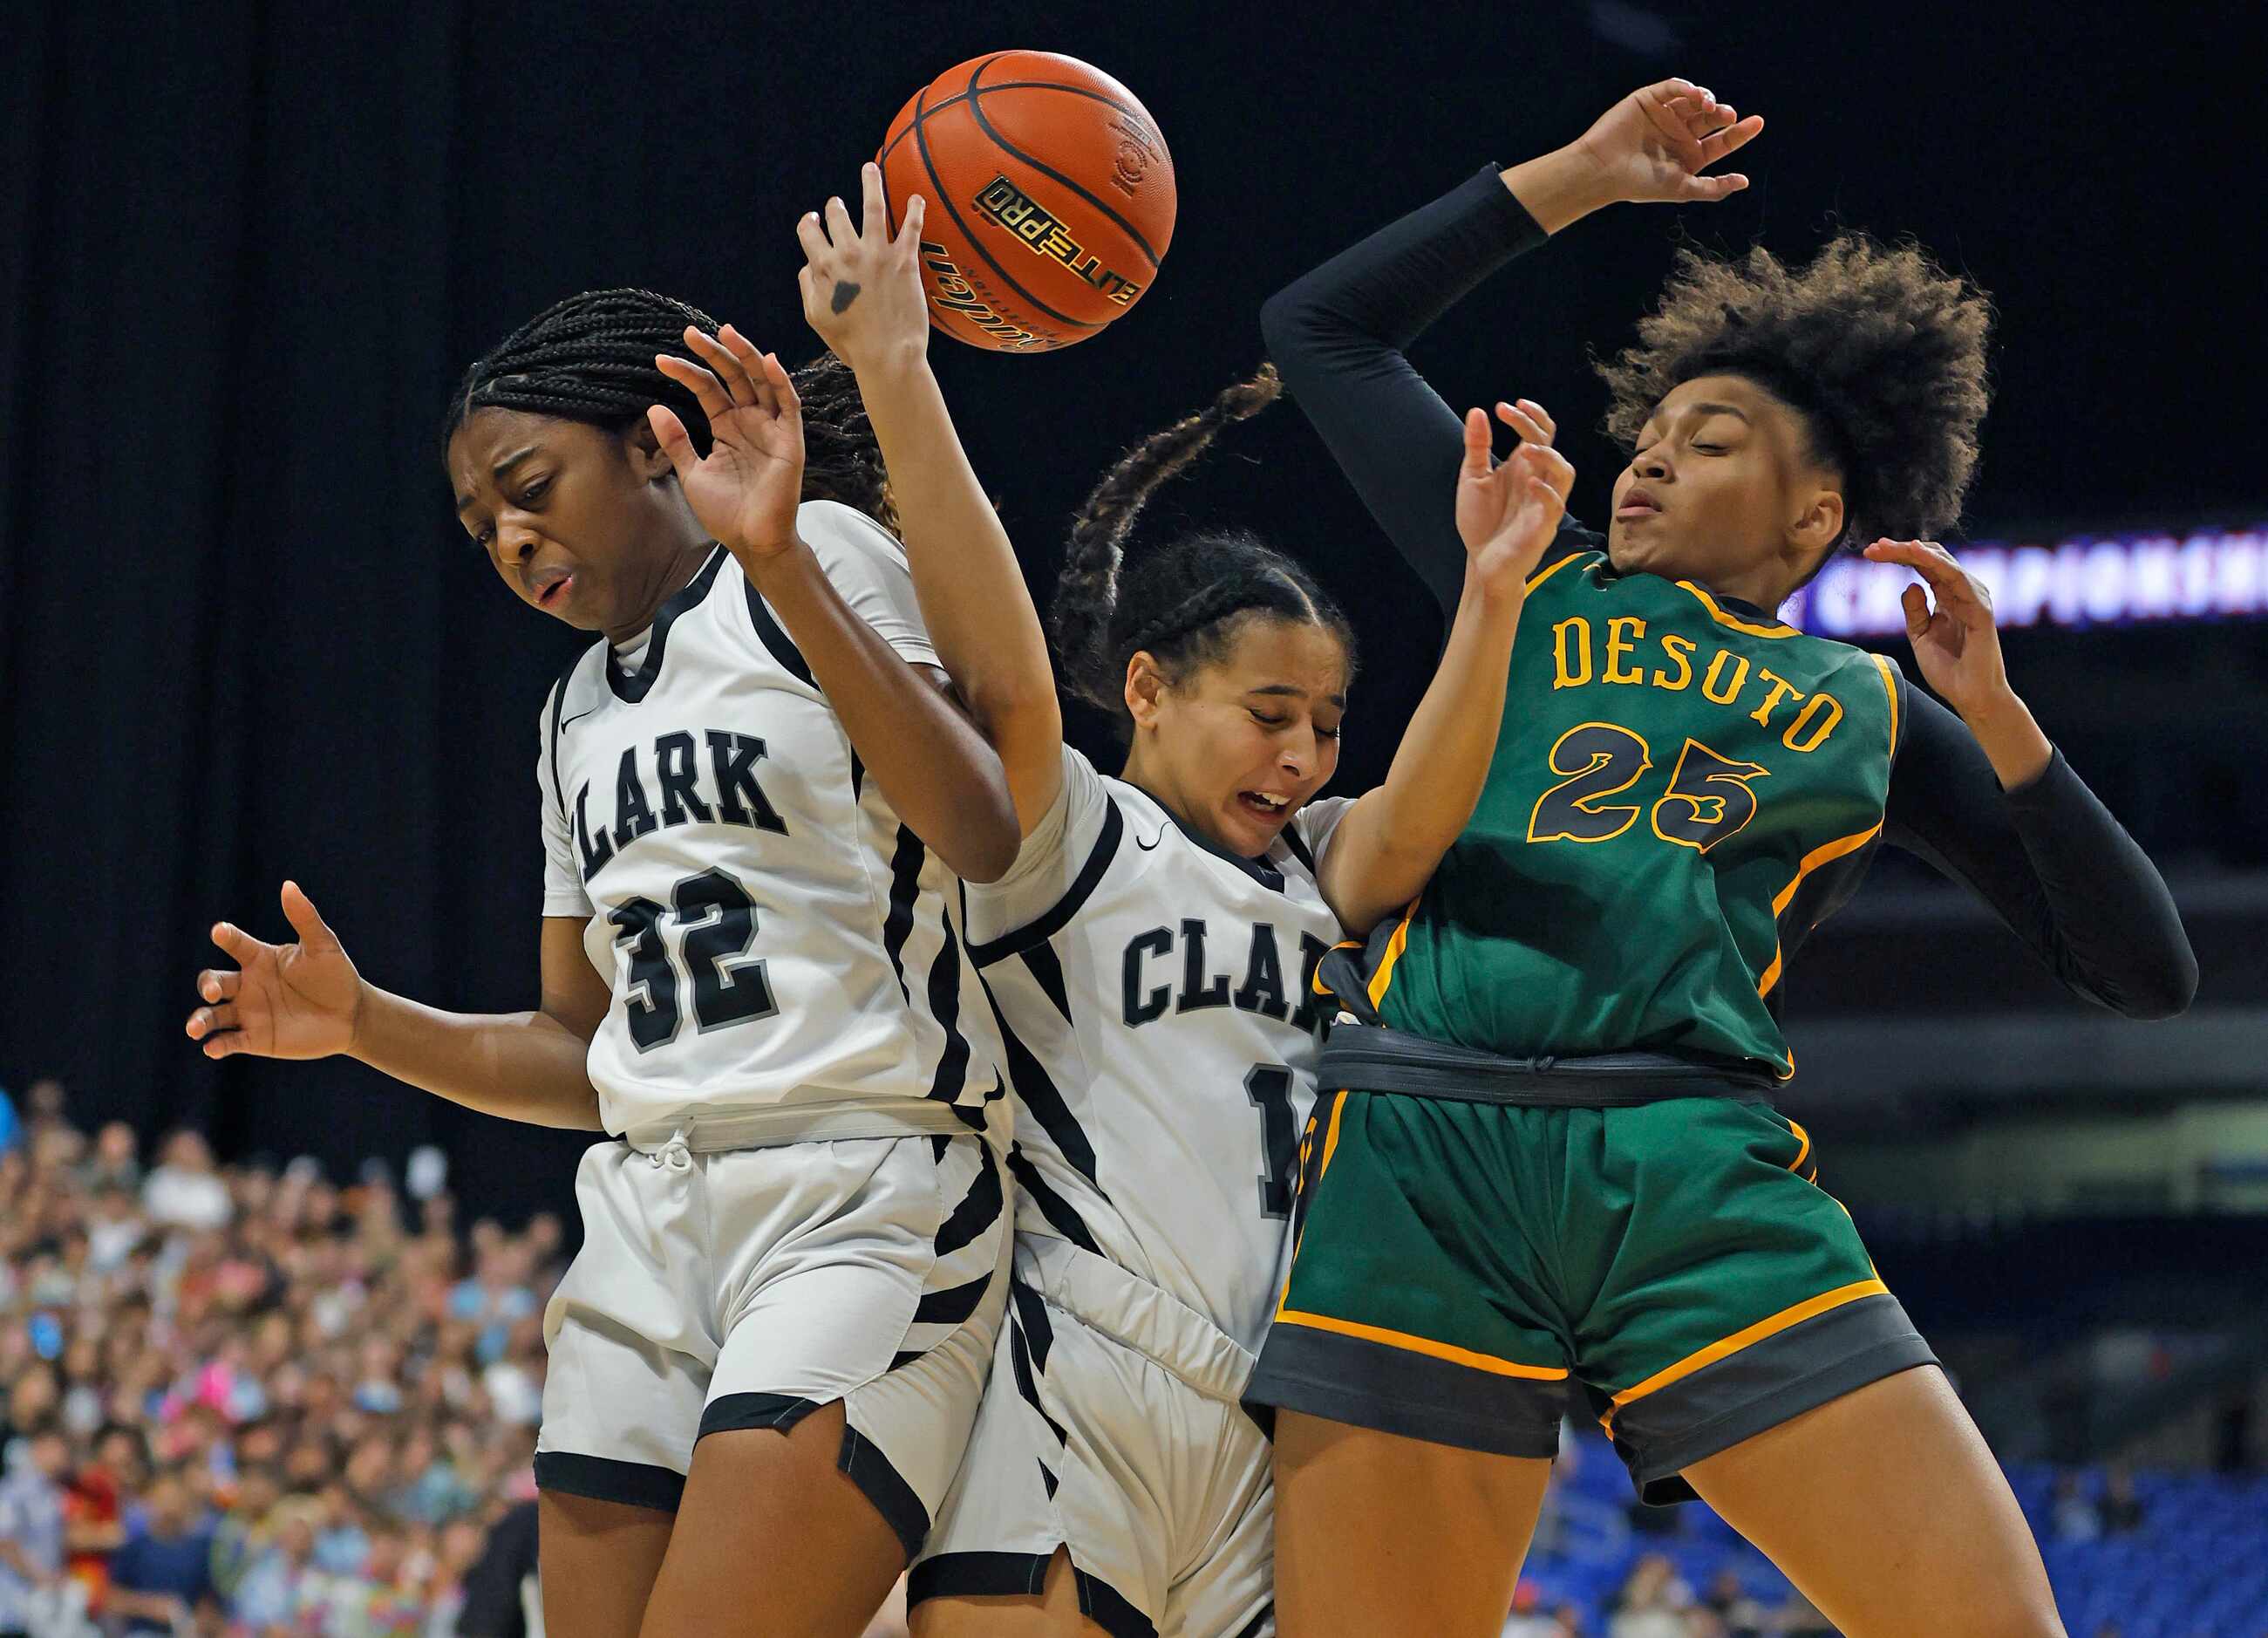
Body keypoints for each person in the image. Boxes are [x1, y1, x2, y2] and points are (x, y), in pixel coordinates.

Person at [1245, 77, 2196, 1636]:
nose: (1651, 460)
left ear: (1814, 515)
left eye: (1711, 439)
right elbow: (1319, 328)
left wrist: (2006, 727)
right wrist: (1575, 177)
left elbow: (2143, 972)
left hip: (1686, 1162)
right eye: (1652, 433)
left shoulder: (1870, 710)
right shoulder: (1524, 574)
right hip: (1422, 1136)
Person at [790, 167, 1570, 1637]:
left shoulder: (1316, 869)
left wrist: (1492, 595)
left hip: (1293, 1413)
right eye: (1269, 711)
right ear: (1146, 688)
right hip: (1072, 1360)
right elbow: (1000, 670)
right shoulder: (1064, 834)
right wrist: (895, 376)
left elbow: (1414, 811)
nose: (1302, 753)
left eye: (1329, 722)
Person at [184, 286, 1022, 1636]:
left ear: (648, 443)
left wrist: (783, 562)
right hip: (647, 1206)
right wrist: (364, 1024)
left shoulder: (817, 556)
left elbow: (982, 827)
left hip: (864, 1186)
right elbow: (585, 1052)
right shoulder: (571, 714)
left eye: (529, 487)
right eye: (480, 527)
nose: (512, 538)